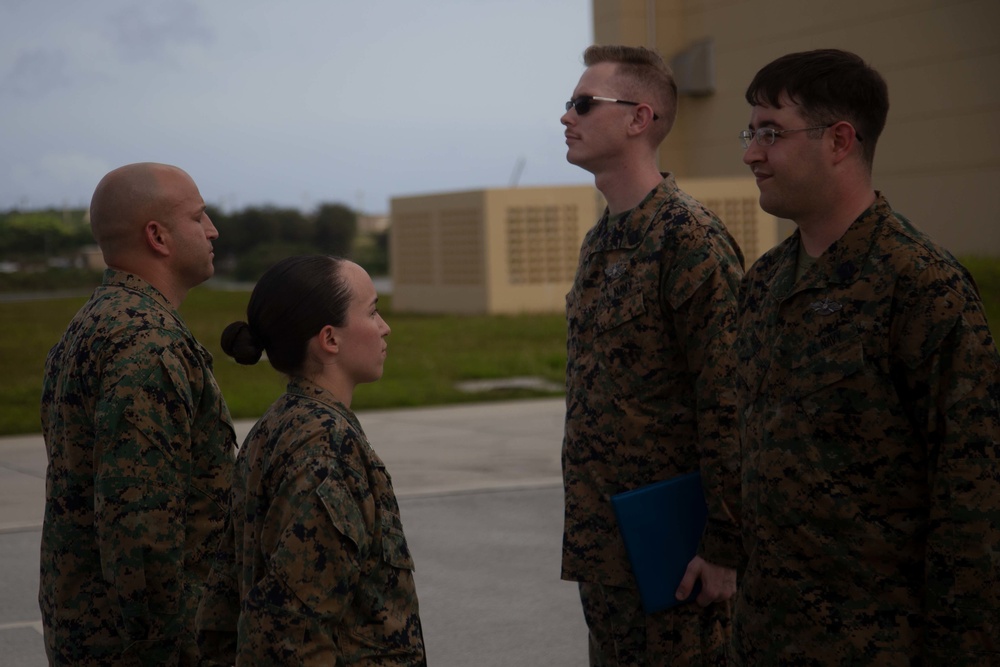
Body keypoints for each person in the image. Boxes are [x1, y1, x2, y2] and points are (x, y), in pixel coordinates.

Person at [734, 48, 1000, 664]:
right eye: (750, 133)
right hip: (764, 636)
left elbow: (974, 498)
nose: (751, 152)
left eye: (770, 133)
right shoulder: (765, 282)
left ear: (839, 141)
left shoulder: (920, 285)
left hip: (876, 643)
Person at [559, 44, 745, 665]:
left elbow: (729, 400)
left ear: (640, 119)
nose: (567, 116)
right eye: (569, 103)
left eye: (585, 103)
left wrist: (725, 546)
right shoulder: (601, 243)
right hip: (607, 552)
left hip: (676, 555)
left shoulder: (689, 240)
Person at [39, 162, 237, 665]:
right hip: (148, 648)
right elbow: (141, 533)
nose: (212, 229)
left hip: (91, 633)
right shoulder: (146, 345)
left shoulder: (93, 324)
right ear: (158, 236)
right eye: (199, 217)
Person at [199, 255, 426, 665]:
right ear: (330, 339)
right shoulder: (326, 449)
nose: (384, 326)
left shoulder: (276, 425)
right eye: (372, 312)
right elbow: (295, 632)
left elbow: (221, 609)